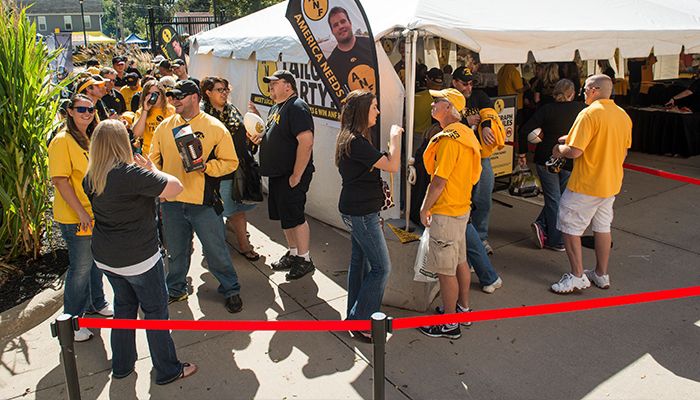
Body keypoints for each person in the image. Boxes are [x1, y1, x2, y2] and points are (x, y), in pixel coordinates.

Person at [83, 120, 197, 385]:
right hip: (139, 258)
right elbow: (175, 187)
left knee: (124, 308)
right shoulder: (129, 174)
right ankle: (168, 369)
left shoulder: (92, 175)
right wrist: (154, 169)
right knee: (155, 313)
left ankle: (122, 366)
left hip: (107, 258)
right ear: (121, 143)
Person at [150, 80, 243, 312]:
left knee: (216, 250)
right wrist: (158, 186)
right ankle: (176, 289)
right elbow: (154, 159)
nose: (174, 100)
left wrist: (207, 168)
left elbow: (231, 162)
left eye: (179, 96)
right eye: (171, 96)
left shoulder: (214, 126)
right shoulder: (164, 127)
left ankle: (230, 289)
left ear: (195, 97)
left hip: (204, 202)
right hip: (172, 202)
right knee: (176, 252)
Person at [550, 75, 632, 294]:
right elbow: (621, 149)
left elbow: (575, 151)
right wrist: (571, 139)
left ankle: (577, 276)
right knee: (603, 228)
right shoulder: (623, 116)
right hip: (611, 183)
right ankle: (601, 273)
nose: (582, 93)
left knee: (569, 228)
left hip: (586, 184)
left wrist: (559, 150)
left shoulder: (588, 114)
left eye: (585, 89)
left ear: (594, 90)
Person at [334, 90, 403, 340]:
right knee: (382, 268)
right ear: (363, 110)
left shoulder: (353, 138)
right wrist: (394, 139)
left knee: (360, 262)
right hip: (361, 214)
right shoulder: (356, 141)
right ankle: (362, 321)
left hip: (359, 210)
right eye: (374, 107)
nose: (378, 111)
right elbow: (393, 165)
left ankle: (355, 317)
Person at [417, 88, 482, 339]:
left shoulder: (449, 140)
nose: (433, 104)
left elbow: (438, 181)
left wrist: (425, 208)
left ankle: (449, 323)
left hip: (446, 211)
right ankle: (462, 310)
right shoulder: (466, 134)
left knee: (446, 272)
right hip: (461, 208)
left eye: (438, 101)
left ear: (449, 108)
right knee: (459, 262)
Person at [48, 94, 112, 342]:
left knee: (96, 263)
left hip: (94, 214)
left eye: (91, 109)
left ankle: (96, 303)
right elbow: (60, 180)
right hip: (76, 217)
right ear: (70, 111)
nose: (87, 113)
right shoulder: (61, 141)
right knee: (81, 268)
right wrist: (81, 212)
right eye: (82, 109)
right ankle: (72, 321)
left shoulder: (88, 138)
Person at [248, 70, 315, 280]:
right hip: (278, 175)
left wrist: (296, 175)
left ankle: (305, 259)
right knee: (285, 218)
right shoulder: (277, 107)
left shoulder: (297, 107)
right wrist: (262, 137)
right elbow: (276, 135)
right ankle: (294, 254)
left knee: (295, 217)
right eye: (270, 84)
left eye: (274, 84)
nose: (270, 87)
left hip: (290, 174)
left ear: (288, 86)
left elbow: (306, 141)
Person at [518, 79, 586, 251]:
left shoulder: (547, 109)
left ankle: (551, 235)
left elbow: (524, 129)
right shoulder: (581, 109)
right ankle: (553, 236)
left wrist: (522, 152)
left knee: (553, 199)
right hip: (570, 158)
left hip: (545, 157)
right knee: (560, 199)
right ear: (572, 93)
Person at [201, 76, 260, 261]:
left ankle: (244, 245)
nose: (225, 93)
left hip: (238, 167)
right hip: (217, 170)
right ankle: (216, 250)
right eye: (220, 90)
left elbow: (243, 135)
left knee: (237, 209)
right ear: (208, 93)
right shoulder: (202, 115)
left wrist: (252, 140)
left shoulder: (232, 109)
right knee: (216, 213)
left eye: (226, 89)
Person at [452, 66, 497, 254]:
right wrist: (466, 122)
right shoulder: (448, 98)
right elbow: (440, 124)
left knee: (484, 196)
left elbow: (489, 111)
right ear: (454, 82)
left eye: (471, 83)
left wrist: (486, 125)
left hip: (480, 156)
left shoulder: (479, 96)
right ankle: (462, 239)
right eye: (464, 83)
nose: (468, 87)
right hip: (457, 157)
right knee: (461, 200)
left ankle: (480, 237)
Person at [326, 6, 374, 94]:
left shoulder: (371, 45)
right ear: (332, 31)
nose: (340, 26)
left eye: (343, 21)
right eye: (336, 25)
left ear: (350, 23)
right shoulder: (331, 64)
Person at [133, 80, 175, 155]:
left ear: (162, 94)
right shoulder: (141, 112)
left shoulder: (172, 110)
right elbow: (136, 134)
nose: (152, 97)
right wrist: (145, 110)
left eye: (156, 94)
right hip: (149, 154)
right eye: (149, 94)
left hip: (168, 153)